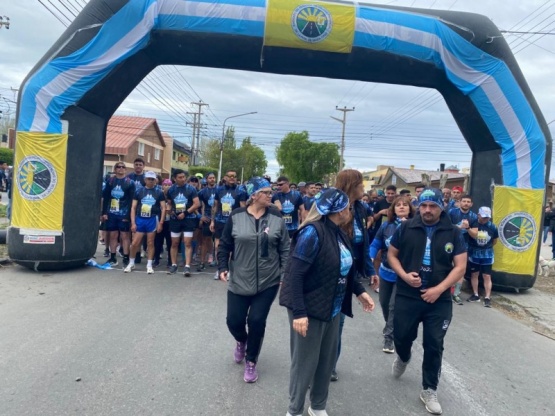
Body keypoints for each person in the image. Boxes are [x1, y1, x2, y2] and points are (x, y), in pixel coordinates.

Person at [280, 187, 374, 416]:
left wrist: (360, 292)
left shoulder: (338, 232)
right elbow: (295, 275)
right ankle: (294, 410)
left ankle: (318, 406)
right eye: (348, 207)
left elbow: (344, 270)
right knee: (305, 364)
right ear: (340, 210)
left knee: (326, 361)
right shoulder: (313, 232)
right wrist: (300, 313)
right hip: (308, 309)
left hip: (332, 307)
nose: (350, 211)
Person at [387, 187, 467, 415]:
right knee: (401, 337)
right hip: (407, 295)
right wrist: (403, 275)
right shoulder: (405, 227)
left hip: (438, 299)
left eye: (433, 206)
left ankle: (429, 389)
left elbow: (460, 266)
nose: (427, 210)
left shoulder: (453, 232)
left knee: (434, 343)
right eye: (423, 205)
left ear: (441, 206)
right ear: (418, 206)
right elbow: (391, 254)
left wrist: (439, 289)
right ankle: (403, 357)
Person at [217, 177, 290, 383]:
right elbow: (224, 245)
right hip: (240, 278)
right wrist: (223, 266)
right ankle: (242, 341)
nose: (271, 195)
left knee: (257, 321)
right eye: (266, 192)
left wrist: (284, 273)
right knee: (234, 321)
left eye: (270, 192)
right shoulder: (236, 216)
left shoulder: (276, 217)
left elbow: (285, 247)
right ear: (254, 195)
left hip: (268, 280)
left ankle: (251, 361)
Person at [331, 169, 376, 381]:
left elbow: (364, 242)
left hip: (352, 273)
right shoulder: (332, 208)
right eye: (361, 184)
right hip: (332, 273)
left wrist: (370, 269)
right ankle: (320, 365)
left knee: (339, 323)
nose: (364, 188)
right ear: (351, 185)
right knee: (331, 321)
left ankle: (329, 365)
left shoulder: (361, 208)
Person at [369, 195, 415, 354]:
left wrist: (407, 228)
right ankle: (390, 325)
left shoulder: (416, 227)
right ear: (393, 209)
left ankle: (389, 338)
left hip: (403, 275)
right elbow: (376, 243)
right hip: (385, 272)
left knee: (394, 306)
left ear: (410, 209)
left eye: (405, 205)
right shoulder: (386, 226)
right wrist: (370, 256)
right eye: (398, 205)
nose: (401, 207)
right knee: (384, 303)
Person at [125, 171, 166, 274]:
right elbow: (133, 207)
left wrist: (161, 222)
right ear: (145, 180)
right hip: (140, 218)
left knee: (150, 243)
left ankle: (149, 264)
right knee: (134, 243)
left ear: (155, 180)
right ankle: (131, 263)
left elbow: (163, 208)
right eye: (149, 179)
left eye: (152, 179)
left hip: (152, 219)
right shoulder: (139, 191)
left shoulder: (159, 192)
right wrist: (133, 222)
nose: (150, 181)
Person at [166, 169, 201, 276]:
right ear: (174, 179)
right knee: (174, 243)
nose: (183, 179)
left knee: (187, 242)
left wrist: (185, 213)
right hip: (175, 219)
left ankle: (187, 266)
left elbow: (197, 204)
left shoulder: (191, 189)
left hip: (188, 219)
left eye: (183, 177)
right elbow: (169, 204)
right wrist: (169, 211)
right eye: (180, 177)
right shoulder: (171, 190)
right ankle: (174, 265)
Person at [101, 162, 136, 267]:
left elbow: (132, 200)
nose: (120, 169)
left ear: (126, 169)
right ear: (115, 169)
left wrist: (128, 215)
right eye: (118, 167)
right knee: (113, 235)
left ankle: (126, 258)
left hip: (124, 213)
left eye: (123, 167)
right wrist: (104, 213)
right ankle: (112, 257)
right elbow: (106, 197)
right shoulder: (110, 181)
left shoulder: (130, 182)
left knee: (125, 236)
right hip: (111, 213)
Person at [448, 194, 478, 304]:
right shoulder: (452, 212)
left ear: (471, 204)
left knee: (461, 269)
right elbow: (445, 227)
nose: (466, 203)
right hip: (450, 244)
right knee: (447, 267)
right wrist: (458, 227)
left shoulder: (474, 216)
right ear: (460, 202)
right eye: (464, 201)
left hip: (464, 246)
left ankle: (456, 293)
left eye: (468, 202)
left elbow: (475, 234)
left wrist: (468, 228)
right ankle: (446, 291)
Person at [466, 207, 499, 307]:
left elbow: (495, 241)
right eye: (484, 217)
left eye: (487, 217)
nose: (485, 219)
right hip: (474, 252)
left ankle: (487, 297)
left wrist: (487, 247)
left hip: (487, 254)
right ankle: (475, 294)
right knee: (474, 274)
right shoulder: (473, 224)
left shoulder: (492, 227)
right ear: (478, 215)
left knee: (487, 276)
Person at [197, 172, 217, 270]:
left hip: (219, 218)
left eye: (213, 178)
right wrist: (201, 217)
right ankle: (202, 262)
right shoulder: (202, 192)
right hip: (207, 218)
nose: (212, 179)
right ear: (207, 179)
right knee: (205, 240)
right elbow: (198, 205)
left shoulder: (220, 190)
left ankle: (216, 258)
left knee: (218, 240)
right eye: (210, 178)